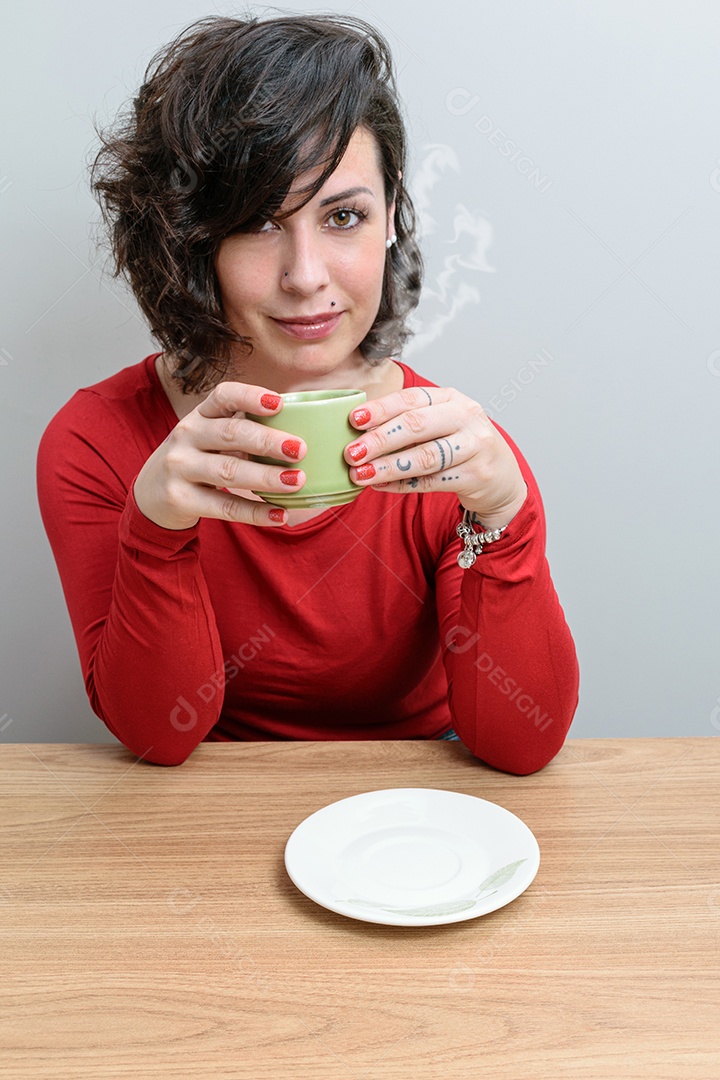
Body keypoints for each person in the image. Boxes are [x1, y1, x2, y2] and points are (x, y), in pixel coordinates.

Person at [37, 14, 579, 772]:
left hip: (418, 792)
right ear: (193, 237)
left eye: (343, 217)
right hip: (213, 793)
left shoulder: (451, 450)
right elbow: (159, 736)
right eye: (260, 222)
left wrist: (508, 518)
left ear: (390, 218)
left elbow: (522, 746)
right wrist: (156, 528)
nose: (306, 276)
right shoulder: (97, 441)